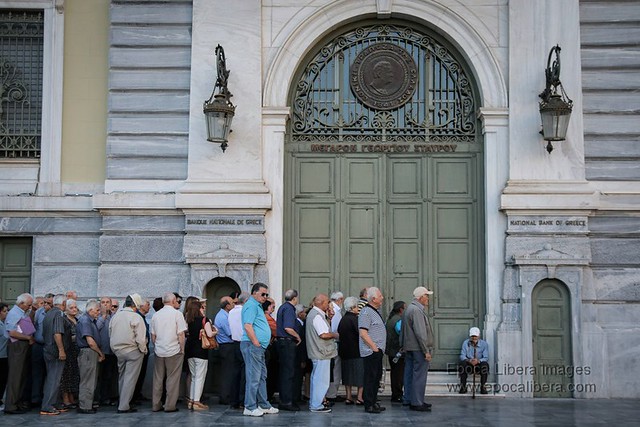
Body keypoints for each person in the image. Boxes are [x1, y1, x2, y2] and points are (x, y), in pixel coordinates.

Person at [240, 283, 278, 417]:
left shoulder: (257, 306)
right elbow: (248, 326)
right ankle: (250, 407)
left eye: (267, 294)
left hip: (258, 347)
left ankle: (263, 404)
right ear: (254, 293)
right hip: (252, 346)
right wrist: (256, 342)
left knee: (261, 376)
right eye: (263, 294)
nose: (265, 297)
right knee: (253, 377)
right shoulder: (250, 305)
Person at [110, 294, 148, 413]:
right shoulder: (136, 317)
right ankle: (124, 406)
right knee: (130, 379)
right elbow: (141, 339)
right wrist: (144, 350)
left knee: (122, 377)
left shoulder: (116, 316)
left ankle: (122, 402)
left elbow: (110, 333)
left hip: (118, 351)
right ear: (135, 305)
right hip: (133, 351)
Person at [151, 292, 188, 413]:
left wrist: (157, 346)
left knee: (158, 378)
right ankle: (170, 405)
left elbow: (153, 335)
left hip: (159, 350)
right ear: (173, 301)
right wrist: (182, 348)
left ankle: (156, 404)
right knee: (172, 379)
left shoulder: (156, 315)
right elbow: (181, 334)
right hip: (174, 349)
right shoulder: (177, 314)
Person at [401, 286, 434, 412]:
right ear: (420, 297)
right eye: (426, 296)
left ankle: (408, 398)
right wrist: (426, 350)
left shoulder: (410, 309)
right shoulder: (417, 311)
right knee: (419, 375)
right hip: (418, 348)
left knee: (409, 374)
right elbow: (420, 333)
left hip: (410, 348)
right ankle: (417, 402)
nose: (428, 299)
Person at [3, 293, 35, 415]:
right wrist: (27, 337)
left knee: (22, 375)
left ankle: (18, 402)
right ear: (21, 303)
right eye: (28, 305)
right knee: (15, 376)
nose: (30, 307)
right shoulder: (14, 313)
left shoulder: (22, 313)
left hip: (22, 345)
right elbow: (12, 332)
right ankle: (11, 405)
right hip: (17, 345)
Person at [306, 293, 338, 413]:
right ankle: (316, 405)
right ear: (323, 303)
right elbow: (323, 334)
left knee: (317, 379)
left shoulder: (314, 314)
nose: (328, 304)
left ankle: (315, 403)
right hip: (321, 353)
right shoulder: (317, 316)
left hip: (318, 352)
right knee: (321, 381)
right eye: (327, 302)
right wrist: (335, 335)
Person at [358, 287, 386, 414]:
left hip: (376, 351)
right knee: (370, 378)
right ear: (373, 298)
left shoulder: (374, 311)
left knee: (376, 378)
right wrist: (374, 348)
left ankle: (373, 402)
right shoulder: (366, 312)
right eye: (380, 295)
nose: (382, 298)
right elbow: (363, 333)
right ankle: (369, 404)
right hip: (371, 352)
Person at [184, 299, 216, 411]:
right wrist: (215, 331)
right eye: (202, 307)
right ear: (199, 309)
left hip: (190, 351)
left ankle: (191, 400)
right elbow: (209, 333)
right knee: (200, 377)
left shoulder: (189, 320)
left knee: (193, 376)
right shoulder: (204, 320)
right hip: (201, 352)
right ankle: (197, 402)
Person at [39, 294, 66, 416]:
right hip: (55, 350)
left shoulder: (48, 313)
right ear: (63, 303)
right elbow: (57, 333)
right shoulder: (58, 314)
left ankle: (54, 403)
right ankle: (47, 406)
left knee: (52, 377)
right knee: (54, 379)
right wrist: (61, 350)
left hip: (47, 349)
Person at [76, 299, 104, 414]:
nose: (99, 312)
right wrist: (100, 353)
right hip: (88, 352)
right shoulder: (85, 320)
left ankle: (87, 403)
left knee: (90, 379)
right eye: (97, 310)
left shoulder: (89, 320)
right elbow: (90, 341)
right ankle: (85, 406)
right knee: (88, 380)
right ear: (90, 310)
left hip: (90, 352)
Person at [275, 289, 301, 411]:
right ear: (294, 298)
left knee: (284, 372)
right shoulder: (290, 309)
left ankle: (285, 399)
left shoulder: (282, 307)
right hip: (287, 342)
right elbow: (288, 328)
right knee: (288, 373)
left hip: (281, 342)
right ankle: (287, 401)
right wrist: (298, 336)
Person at [337, 296, 364, 405]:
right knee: (360, 375)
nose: (358, 308)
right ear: (353, 307)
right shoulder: (355, 319)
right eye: (357, 306)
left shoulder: (343, 319)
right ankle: (359, 397)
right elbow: (360, 334)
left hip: (344, 352)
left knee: (347, 375)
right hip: (356, 352)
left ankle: (348, 397)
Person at [31, 293, 54, 407]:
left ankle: (48, 399)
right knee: (37, 373)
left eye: (48, 303)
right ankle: (35, 398)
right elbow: (34, 325)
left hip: (50, 346)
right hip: (39, 345)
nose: (45, 305)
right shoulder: (39, 312)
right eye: (44, 302)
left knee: (50, 374)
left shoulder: (56, 314)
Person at [228, 292, 248, 409]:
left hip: (234, 343)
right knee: (244, 374)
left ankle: (234, 400)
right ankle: (242, 400)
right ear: (245, 301)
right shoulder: (244, 312)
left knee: (235, 373)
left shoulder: (231, 312)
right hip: (244, 343)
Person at [96, 297, 118, 407]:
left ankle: (108, 397)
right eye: (103, 302)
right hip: (100, 351)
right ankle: (99, 398)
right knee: (100, 376)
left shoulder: (114, 316)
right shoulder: (97, 316)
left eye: (107, 302)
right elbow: (96, 329)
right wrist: (103, 316)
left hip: (112, 351)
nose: (105, 305)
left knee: (110, 376)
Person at [214, 296, 235, 406]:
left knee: (228, 372)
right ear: (227, 306)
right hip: (227, 346)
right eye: (232, 303)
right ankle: (225, 397)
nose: (234, 304)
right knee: (227, 373)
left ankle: (227, 395)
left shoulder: (225, 315)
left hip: (227, 346)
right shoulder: (222, 317)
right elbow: (230, 333)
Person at [61, 299, 80, 409]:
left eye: (75, 307)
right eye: (71, 308)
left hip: (76, 350)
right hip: (68, 349)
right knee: (66, 374)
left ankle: (72, 396)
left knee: (74, 374)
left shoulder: (77, 319)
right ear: (66, 309)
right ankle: (65, 397)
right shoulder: (64, 320)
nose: (74, 309)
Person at [385, 300, 406, 403]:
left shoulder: (390, 319)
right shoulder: (399, 320)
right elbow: (401, 333)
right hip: (397, 351)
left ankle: (396, 394)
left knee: (395, 373)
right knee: (398, 374)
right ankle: (397, 395)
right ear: (401, 309)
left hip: (391, 351)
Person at [458, 327, 489, 394]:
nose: (474, 338)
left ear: (478, 336)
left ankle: (483, 386)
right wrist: (469, 360)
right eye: (472, 336)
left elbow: (486, 357)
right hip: (469, 363)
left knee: (485, 365)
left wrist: (478, 361)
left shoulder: (484, 344)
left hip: (478, 364)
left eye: (475, 336)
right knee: (462, 364)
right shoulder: (465, 343)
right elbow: (462, 355)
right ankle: (463, 386)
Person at [326, 291, 344, 402]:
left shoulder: (331, 310)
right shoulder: (336, 312)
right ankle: (332, 394)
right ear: (340, 299)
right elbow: (336, 330)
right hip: (334, 343)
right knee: (335, 370)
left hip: (331, 343)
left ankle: (331, 393)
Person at [133, 297, 151, 404]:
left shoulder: (142, 317)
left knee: (141, 373)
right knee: (137, 374)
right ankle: (133, 396)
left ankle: (137, 394)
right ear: (141, 305)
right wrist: (143, 348)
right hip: (140, 349)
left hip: (144, 348)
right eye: (147, 304)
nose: (149, 306)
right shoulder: (138, 317)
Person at [262, 298, 278, 402]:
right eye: (272, 305)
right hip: (268, 347)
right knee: (268, 373)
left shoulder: (268, 317)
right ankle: (267, 395)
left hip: (269, 347)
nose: (273, 308)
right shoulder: (267, 318)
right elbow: (276, 331)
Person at [0, 302, 9, 406]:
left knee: (3, 379)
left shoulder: (3, 323)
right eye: (4, 311)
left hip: (4, 355)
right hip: (1, 355)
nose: (6, 313)